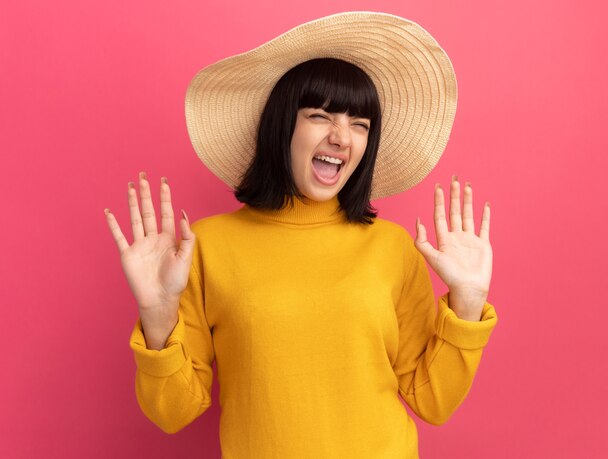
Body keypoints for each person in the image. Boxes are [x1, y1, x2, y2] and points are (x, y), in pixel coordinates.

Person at [104, 12, 498, 458]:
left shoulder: (392, 247)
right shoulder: (206, 246)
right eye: (320, 115)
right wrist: (157, 315)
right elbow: (172, 412)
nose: (341, 137)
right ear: (282, 127)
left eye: (360, 124)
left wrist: (466, 303)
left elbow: (434, 401)